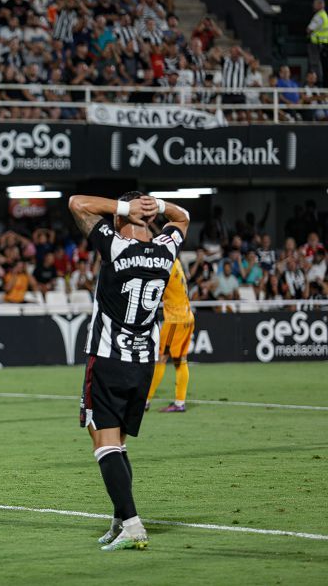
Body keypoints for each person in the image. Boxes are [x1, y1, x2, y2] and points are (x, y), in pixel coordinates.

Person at [68, 190, 190, 551]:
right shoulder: (166, 248)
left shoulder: (116, 246)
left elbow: (77, 203)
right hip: (142, 366)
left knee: (103, 442)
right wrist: (160, 208)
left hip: (108, 359)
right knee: (115, 443)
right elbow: (182, 218)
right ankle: (121, 519)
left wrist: (124, 208)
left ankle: (133, 524)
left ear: (123, 218)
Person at [146, 257, 193, 413]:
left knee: (161, 358)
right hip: (187, 316)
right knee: (181, 361)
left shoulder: (165, 267)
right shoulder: (177, 262)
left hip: (175, 320)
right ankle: (179, 403)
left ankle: (145, 401)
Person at [307, 0, 328, 83]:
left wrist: (308, 32)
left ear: (320, 5)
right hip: (323, 44)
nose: (313, 6)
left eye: (315, 4)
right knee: (321, 65)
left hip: (316, 43)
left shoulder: (319, 16)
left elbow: (309, 29)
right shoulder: (324, 15)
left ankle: (316, 81)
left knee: (315, 64)